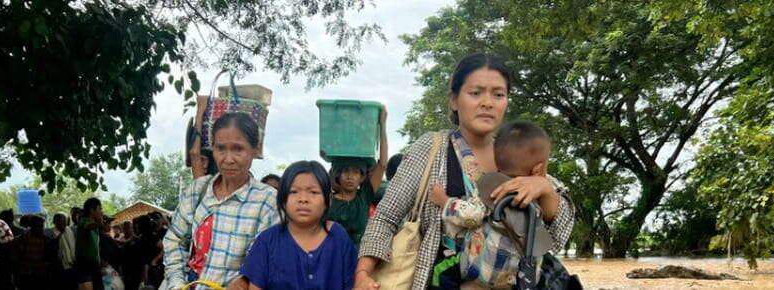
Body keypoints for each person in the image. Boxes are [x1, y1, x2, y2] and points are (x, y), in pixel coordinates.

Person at [354, 53, 576, 290]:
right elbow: (386, 217)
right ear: (454, 100)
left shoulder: (517, 153)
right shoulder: (432, 147)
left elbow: (555, 237)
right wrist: (363, 273)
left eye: (498, 94)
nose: (487, 102)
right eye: (476, 93)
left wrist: (544, 190)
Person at [163, 112, 279, 289]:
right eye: (221, 148)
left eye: (238, 149)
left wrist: (244, 281)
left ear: (255, 149)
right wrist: (177, 283)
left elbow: (264, 261)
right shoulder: (198, 190)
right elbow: (175, 239)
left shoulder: (267, 201)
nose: (228, 159)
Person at [432, 120, 554, 287]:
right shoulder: (539, 197)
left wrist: (445, 201)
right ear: (538, 169)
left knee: (440, 271)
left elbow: (471, 215)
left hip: (482, 268)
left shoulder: (492, 190)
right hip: (521, 276)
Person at [240, 161, 357, 290]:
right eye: (294, 192)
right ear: (283, 200)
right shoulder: (267, 240)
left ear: (328, 200)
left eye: (313, 192)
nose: (303, 199)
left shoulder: (338, 236)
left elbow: (352, 283)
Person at [327, 108, 388, 248]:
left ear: (362, 178)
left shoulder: (364, 196)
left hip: (360, 260)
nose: (350, 176)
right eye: (345, 172)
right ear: (337, 175)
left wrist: (382, 125)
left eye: (355, 172)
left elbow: (383, 164)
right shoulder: (328, 201)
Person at [13, 215, 51, 290]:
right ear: (32, 226)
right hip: (26, 275)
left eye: (42, 226)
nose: (41, 229)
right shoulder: (21, 239)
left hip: (40, 275)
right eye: (38, 226)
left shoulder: (47, 240)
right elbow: (15, 257)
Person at [76, 198, 104, 290]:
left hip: (94, 263)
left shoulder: (94, 224)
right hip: (84, 264)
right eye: (99, 208)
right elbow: (88, 226)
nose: (101, 211)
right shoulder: (84, 221)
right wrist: (99, 223)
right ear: (92, 210)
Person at [48, 212, 77, 290]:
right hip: (58, 269)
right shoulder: (49, 233)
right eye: (60, 221)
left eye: (65, 221)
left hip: (72, 266)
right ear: (54, 222)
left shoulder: (70, 231)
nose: (63, 223)